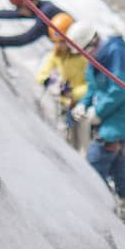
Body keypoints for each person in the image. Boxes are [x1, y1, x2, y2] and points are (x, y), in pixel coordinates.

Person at [67, 18, 125, 236]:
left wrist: (98, 113)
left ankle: (95, 217)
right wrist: (84, 105)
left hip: (119, 119)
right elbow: (93, 87)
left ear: (91, 44)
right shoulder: (97, 57)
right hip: (110, 120)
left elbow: (121, 88)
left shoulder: (116, 53)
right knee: (118, 167)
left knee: (92, 168)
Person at [34, 13, 91, 150]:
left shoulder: (85, 57)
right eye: (56, 42)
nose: (59, 45)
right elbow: (42, 72)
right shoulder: (58, 54)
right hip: (67, 105)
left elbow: (92, 86)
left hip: (84, 105)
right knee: (70, 142)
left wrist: (72, 93)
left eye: (62, 42)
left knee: (85, 143)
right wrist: (49, 82)